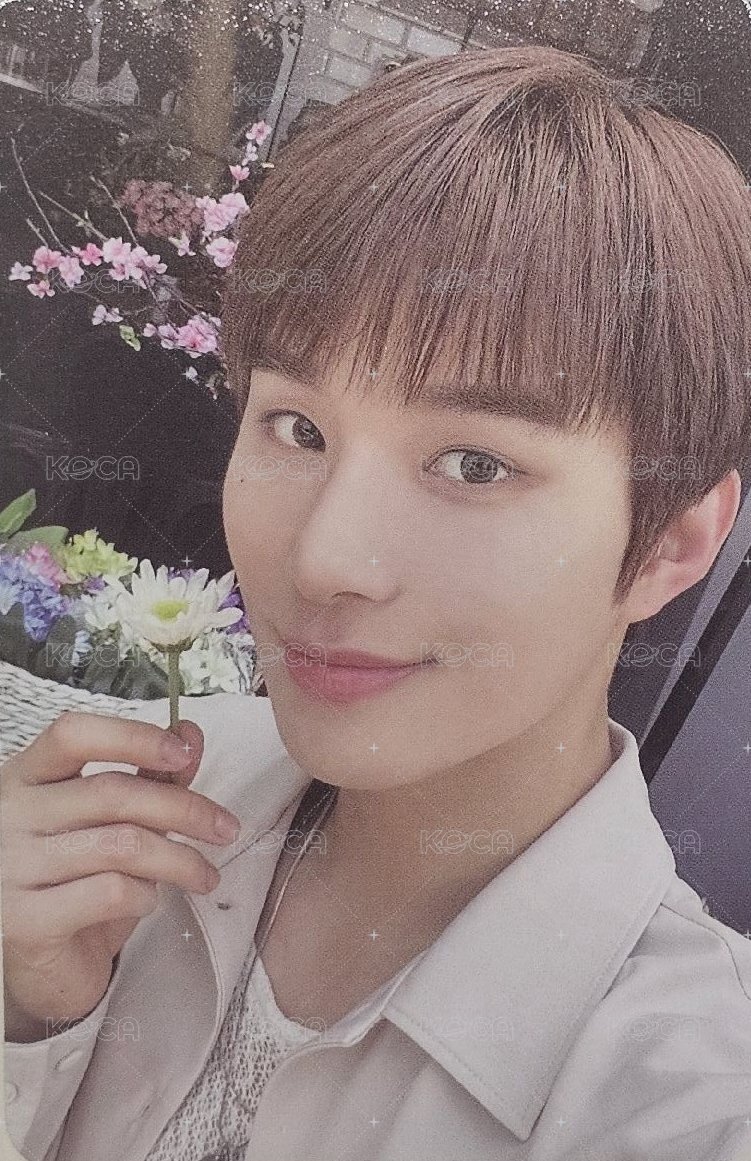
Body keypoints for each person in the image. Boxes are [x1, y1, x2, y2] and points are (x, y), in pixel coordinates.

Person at [3, 42, 751, 1161]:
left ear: (672, 545)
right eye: (297, 428)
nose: (324, 559)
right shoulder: (122, 823)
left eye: (474, 464)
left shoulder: (687, 1102)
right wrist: (30, 1020)